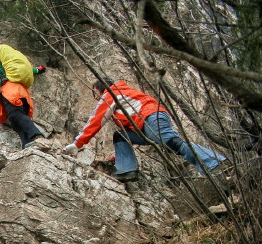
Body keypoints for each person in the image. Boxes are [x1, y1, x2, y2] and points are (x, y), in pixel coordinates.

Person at [62, 78, 226, 182]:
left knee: (172, 143)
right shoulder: (123, 94)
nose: (96, 98)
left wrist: (77, 144)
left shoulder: (111, 94)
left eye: (95, 94)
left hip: (150, 118)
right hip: (146, 122)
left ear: (100, 89)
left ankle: (214, 162)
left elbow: (96, 120)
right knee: (120, 136)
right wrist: (119, 156)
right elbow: (128, 122)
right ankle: (127, 169)